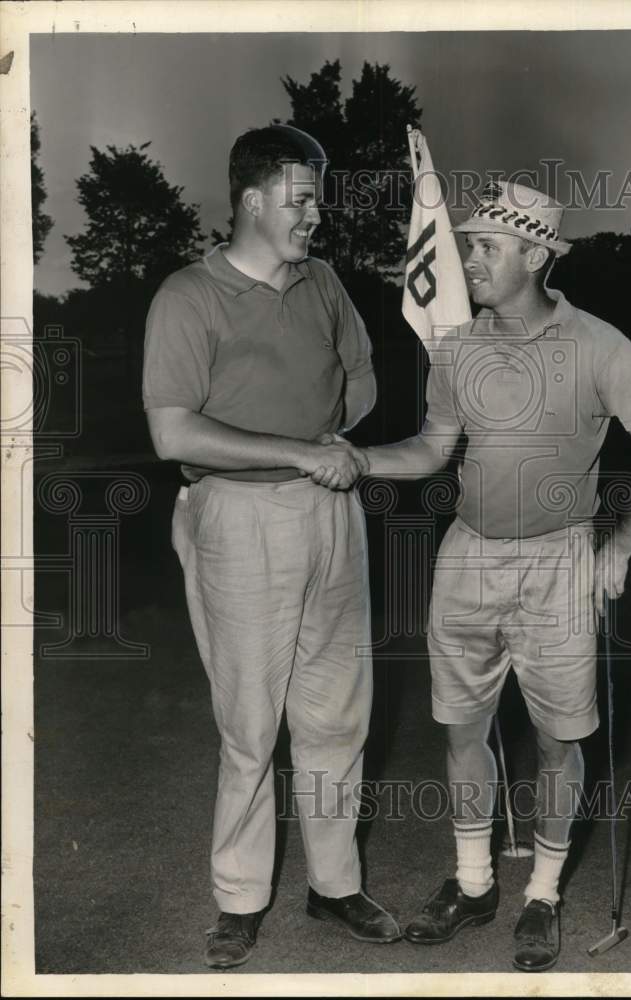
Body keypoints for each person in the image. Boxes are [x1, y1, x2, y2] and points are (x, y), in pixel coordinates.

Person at [360, 180, 631, 971]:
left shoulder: (601, 345)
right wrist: (359, 460)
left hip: (559, 561)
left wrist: (621, 545)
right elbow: (433, 448)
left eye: (487, 247)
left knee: (557, 739)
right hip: (468, 556)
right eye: (468, 244)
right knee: (461, 729)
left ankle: (541, 894)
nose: (469, 259)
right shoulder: (459, 348)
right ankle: (474, 884)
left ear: (535, 256)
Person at [142, 124, 401, 970]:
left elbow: (361, 375)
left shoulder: (323, 282)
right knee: (251, 723)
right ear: (252, 201)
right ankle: (240, 899)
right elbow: (173, 431)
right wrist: (295, 451)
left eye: (317, 200)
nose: (315, 215)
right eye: (301, 200)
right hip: (238, 516)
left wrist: (329, 440)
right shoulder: (188, 295)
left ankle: (335, 884)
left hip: (332, 511)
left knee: (336, 713)